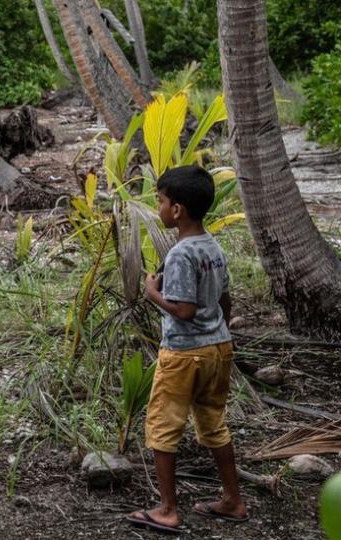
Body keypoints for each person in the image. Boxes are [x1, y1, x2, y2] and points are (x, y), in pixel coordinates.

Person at [128, 165, 247, 533]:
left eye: (160, 201)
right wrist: (219, 332)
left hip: (183, 354)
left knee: (163, 425)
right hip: (218, 348)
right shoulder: (212, 246)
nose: (158, 206)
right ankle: (232, 499)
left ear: (176, 209)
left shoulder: (180, 254)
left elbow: (184, 309)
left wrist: (153, 293)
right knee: (213, 423)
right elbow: (224, 301)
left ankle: (167, 509)